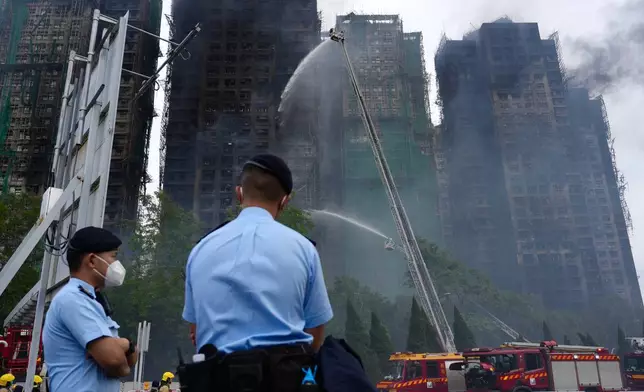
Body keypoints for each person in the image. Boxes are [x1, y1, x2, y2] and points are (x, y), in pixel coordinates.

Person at [182, 153, 333, 390]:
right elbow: (315, 332)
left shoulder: (200, 251)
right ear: (285, 201)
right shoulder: (304, 250)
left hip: (217, 381)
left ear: (239, 193)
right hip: (286, 380)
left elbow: (196, 330)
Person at [42, 226, 138, 392]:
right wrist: (124, 346)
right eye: (113, 257)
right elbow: (115, 361)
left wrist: (124, 346)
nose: (117, 264)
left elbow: (129, 361)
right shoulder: (72, 300)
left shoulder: (92, 301)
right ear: (92, 261)